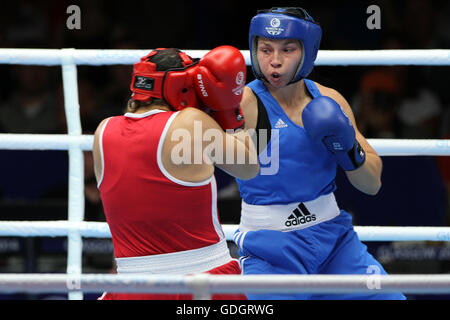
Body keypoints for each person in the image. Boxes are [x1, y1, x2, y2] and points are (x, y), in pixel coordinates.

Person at [232, 7, 406, 300]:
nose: (274, 61)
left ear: (308, 51)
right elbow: (197, 148)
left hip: (336, 243)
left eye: (287, 49)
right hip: (271, 250)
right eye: (265, 49)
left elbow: (372, 184)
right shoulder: (244, 104)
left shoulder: (328, 99)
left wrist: (346, 147)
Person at [93, 46, 259, 300]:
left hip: (131, 286)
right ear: (181, 86)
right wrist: (229, 110)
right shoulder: (189, 122)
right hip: (203, 279)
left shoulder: (103, 132)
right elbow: (248, 168)